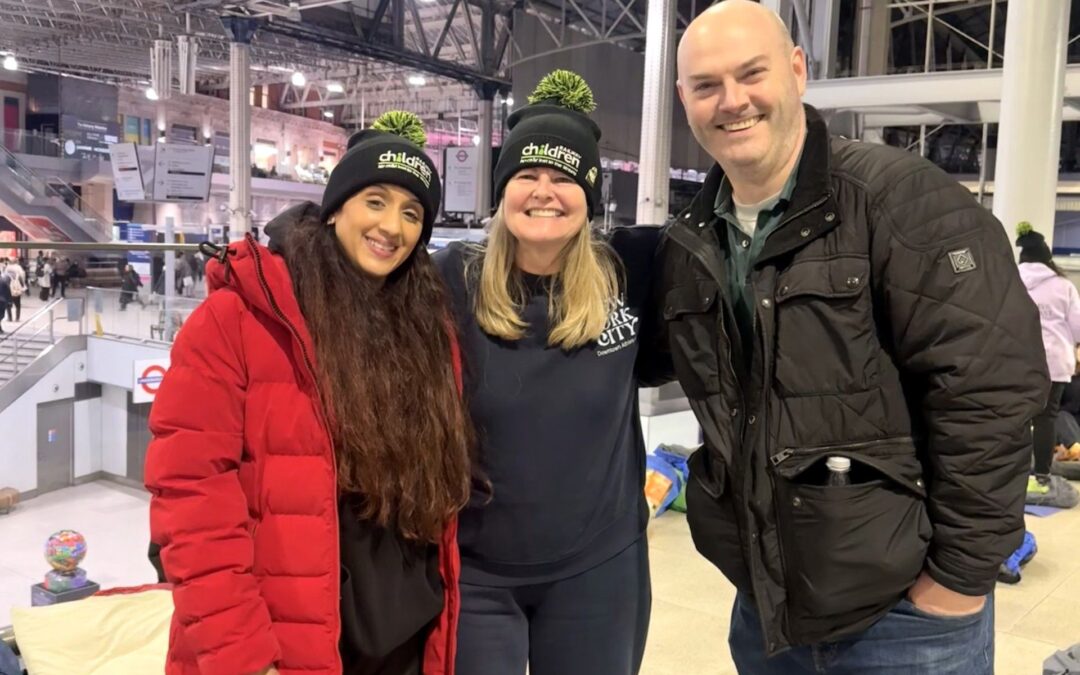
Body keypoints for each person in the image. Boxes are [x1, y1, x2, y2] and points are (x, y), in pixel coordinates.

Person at [651, 2, 1049, 673]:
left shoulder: (901, 202)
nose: (733, 101)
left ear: (798, 71)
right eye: (707, 85)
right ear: (684, 99)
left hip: (905, 622)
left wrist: (957, 581)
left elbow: (992, 390)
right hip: (767, 611)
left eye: (752, 74)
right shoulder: (694, 240)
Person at [145, 111, 473, 675]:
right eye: (375, 200)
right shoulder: (243, 316)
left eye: (412, 212)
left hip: (405, 643)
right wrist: (246, 659)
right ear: (336, 206)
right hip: (283, 648)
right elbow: (191, 503)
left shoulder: (427, 327)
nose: (392, 227)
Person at [434, 71, 663, 675]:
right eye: (527, 175)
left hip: (598, 568)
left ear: (591, 193)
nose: (544, 191)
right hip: (476, 568)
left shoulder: (631, 273)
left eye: (564, 177)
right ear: (502, 188)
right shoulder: (449, 278)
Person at [1015, 223, 1080, 493]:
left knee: (1015, 418)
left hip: (1015, 361)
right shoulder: (1062, 286)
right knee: (1046, 418)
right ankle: (1041, 476)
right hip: (1053, 363)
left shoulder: (1009, 279)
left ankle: (1012, 475)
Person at [4, 258, 24, 322]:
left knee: (8, 305)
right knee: (18, 305)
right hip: (16, 292)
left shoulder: (6, 274)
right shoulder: (18, 274)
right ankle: (17, 318)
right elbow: (22, 282)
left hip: (8, 292)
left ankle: (10, 318)